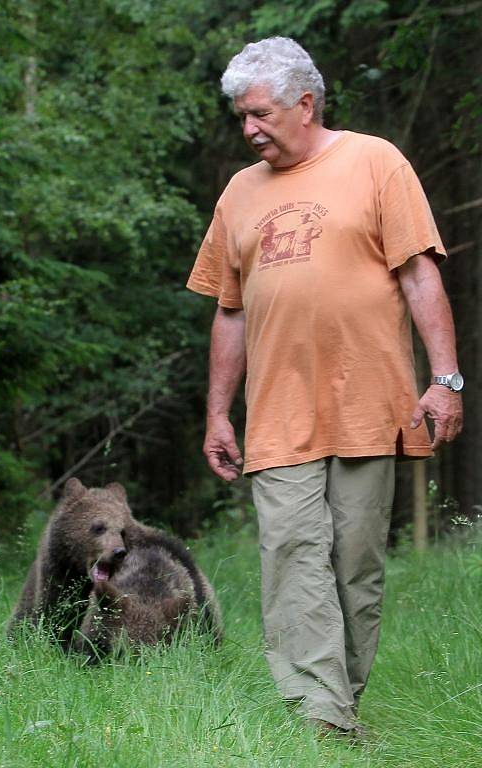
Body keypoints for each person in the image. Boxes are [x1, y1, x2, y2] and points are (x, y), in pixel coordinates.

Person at [186, 37, 463, 734]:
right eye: (239, 116)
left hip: (371, 405)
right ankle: (323, 720)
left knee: (354, 567)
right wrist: (219, 414)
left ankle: (341, 702)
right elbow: (230, 308)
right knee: (291, 559)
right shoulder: (239, 193)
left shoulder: (374, 162)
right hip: (277, 417)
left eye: (258, 113)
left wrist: (446, 379)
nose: (247, 128)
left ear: (304, 104)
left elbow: (419, 273)